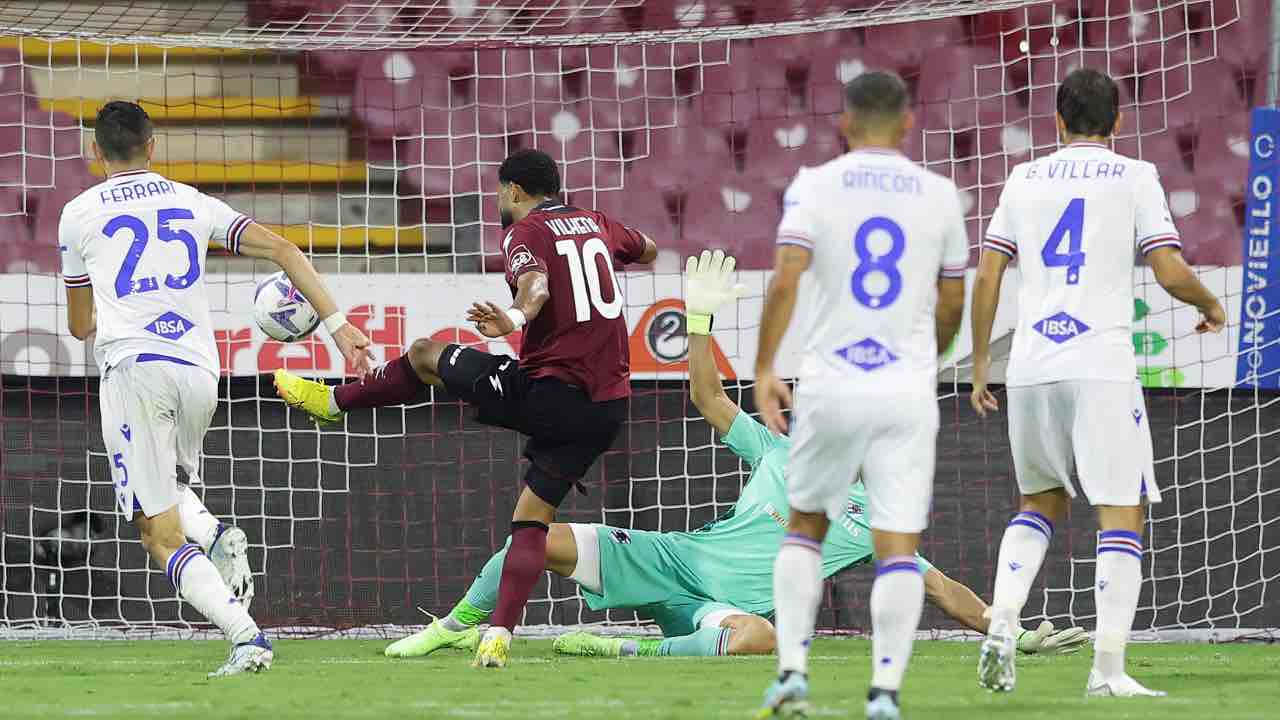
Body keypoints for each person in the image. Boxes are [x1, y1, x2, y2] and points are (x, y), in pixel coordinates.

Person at [383, 251, 1087, 662]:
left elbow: (941, 590)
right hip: (674, 558)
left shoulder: (873, 518)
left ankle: (619, 648)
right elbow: (711, 398)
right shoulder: (782, 451)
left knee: (761, 637)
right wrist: (700, 320)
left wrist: (1007, 629)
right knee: (535, 540)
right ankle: (453, 626)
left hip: (716, 612)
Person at [274, 148, 658, 668]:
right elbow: (649, 248)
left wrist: (515, 316)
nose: (498, 201)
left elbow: (537, 284)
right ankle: (498, 634)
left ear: (515, 191)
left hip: (551, 395)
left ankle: (334, 402)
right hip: (607, 409)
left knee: (426, 354)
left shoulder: (524, 233)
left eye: (500, 192)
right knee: (531, 522)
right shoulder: (595, 221)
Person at [59, 101, 372, 676]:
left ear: (94, 152)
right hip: (201, 372)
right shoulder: (192, 201)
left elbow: (80, 326)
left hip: (135, 370)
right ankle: (219, 534)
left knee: (156, 533)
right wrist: (336, 325)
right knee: (172, 496)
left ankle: (246, 636)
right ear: (153, 147)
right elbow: (284, 250)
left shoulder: (77, 214)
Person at [969, 68, 1226, 698]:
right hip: (1099, 363)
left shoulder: (1024, 178)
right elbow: (1166, 266)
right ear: (1117, 123)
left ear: (1056, 122)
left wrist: (980, 364)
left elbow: (989, 272)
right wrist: (1209, 302)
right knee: (1123, 511)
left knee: (1039, 503)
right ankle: (1107, 672)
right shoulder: (1135, 174)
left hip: (1030, 364)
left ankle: (1002, 619)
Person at [752, 71, 969, 720]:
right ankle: (884, 695)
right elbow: (954, 298)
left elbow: (787, 277)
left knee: (806, 526)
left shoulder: (814, 186)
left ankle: (792, 672)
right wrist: (925, 356)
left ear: (844, 124)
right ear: (909, 124)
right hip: (903, 389)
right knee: (897, 544)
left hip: (831, 383)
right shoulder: (940, 194)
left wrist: (766, 365)